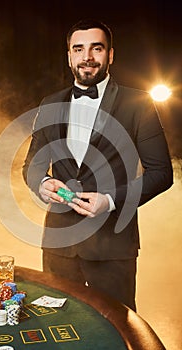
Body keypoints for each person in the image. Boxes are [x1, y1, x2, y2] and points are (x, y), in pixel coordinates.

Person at [22, 19, 173, 311]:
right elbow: (33, 164)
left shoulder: (138, 103)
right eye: (78, 49)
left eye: (96, 48)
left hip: (113, 246)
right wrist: (41, 183)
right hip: (58, 244)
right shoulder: (49, 102)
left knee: (118, 330)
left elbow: (162, 173)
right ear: (69, 56)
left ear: (110, 55)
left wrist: (110, 201)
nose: (87, 56)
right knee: (58, 326)